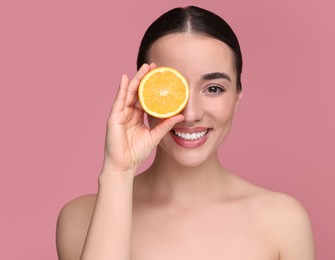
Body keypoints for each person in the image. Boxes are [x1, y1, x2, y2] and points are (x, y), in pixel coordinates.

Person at [56, 6, 315, 260]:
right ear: (143, 94)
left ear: (237, 96)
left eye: (213, 89)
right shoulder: (82, 218)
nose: (190, 114)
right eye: (170, 88)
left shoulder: (283, 221)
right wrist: (118, 172)